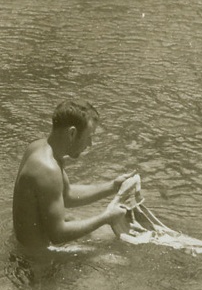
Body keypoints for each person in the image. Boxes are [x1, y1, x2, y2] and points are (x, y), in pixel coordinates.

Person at [12, 99, 134, 251]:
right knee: (118, 257)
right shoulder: (47, 169)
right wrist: (106, 218)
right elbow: (58, 234)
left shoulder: (40, 148)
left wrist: (113, 186)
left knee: (105, 237)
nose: (90, 144)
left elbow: (66, 195)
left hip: (31, 250)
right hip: (37, 263)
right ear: (72, 133)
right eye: (89, 136)